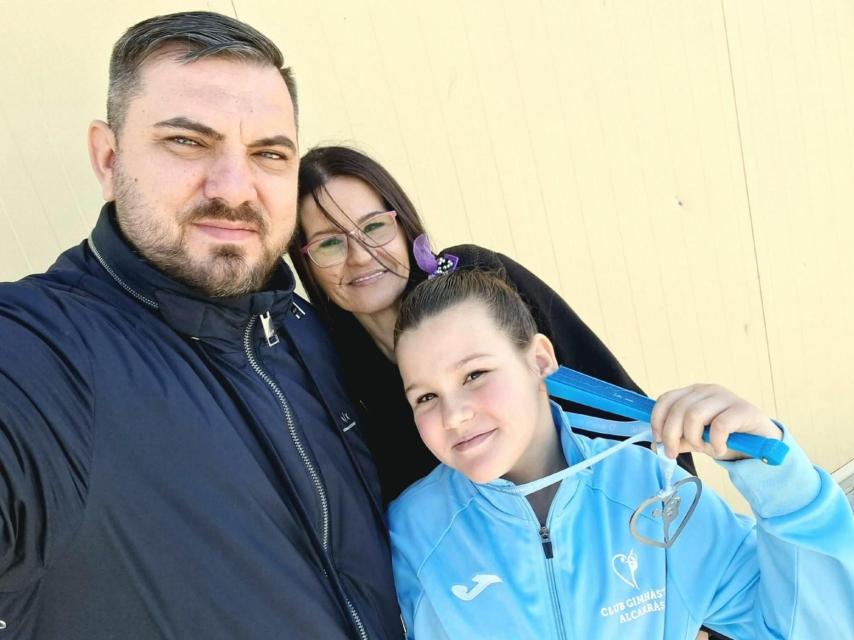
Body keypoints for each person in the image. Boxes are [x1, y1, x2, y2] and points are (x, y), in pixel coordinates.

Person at [0, 12, 401, 639]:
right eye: (187, 142)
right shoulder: (43, 352)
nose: (234, 188)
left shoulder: (312, 330)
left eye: (269, 153)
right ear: (108, 158)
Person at [388, 268, 854, 639]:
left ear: (540, 360)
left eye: (474, 375)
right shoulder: (412, 529)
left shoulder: (652, 490)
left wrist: (778, 481)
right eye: (425, 398)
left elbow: (811, 627)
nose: (452, 416)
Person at [289, 145, 695, 505]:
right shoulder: (331, 369)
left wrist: (673, 493)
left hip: (603, 515)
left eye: (374, 226)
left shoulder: (475, 279)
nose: (360, 255)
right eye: (329, 242)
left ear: (403, 224)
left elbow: (603, 391)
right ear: (305, 262)